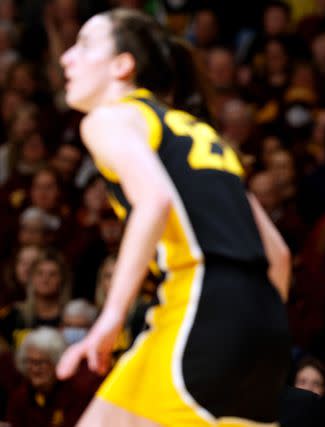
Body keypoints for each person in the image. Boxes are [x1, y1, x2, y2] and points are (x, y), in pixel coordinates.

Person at [56, 8, 291, 427]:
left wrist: (109, 320)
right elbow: (279, 255)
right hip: (264, 324)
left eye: (85, 44)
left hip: (199, 307)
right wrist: (251, 325)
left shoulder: (111, 117)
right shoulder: (199, 133)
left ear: (122, 65)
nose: (66, 57)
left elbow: (154, 200)